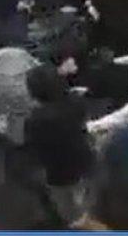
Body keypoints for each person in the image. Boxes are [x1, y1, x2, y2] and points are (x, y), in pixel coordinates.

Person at [23, 63, 98, 229]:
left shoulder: (36, 119)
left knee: (70, 212)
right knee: (84, 205)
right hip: (85, 161)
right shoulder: (76, 103)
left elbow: (35, 150)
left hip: (58, 172)